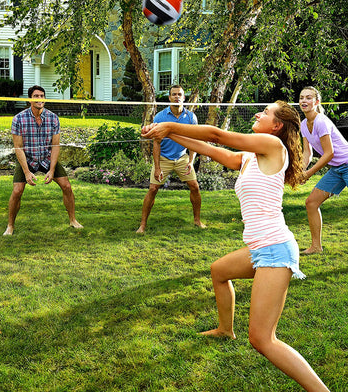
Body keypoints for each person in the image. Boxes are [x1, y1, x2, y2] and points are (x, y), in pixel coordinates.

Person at [141, 101, 329, 391]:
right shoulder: (251, 157)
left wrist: (169, 125)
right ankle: (225, 330)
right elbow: (212, 149)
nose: (257, 114)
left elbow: (216, 136)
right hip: (260, 248)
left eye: (264, 113)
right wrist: (165, 135)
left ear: (276, 126)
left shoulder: (271, 146)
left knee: (262, 339)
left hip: (275, 249)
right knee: (219, 271)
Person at [3, 85, 83, 235]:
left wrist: (52, 170)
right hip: (27, 160)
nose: (39, 99)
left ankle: (73, 220)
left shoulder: (53, 118)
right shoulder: (18, 119)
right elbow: (18, 148)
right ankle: (10, 226)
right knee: (17, 190)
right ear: (30, 99)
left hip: (46, 158)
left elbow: (55, 146)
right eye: (36, 96)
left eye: (42, 96)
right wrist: (26, 172)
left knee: (66, 186)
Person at [136, 85, 206, 233]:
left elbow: (194, 141)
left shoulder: (191, 117)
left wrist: (191, 162)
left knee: (195, 187)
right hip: (163, 158)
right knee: (153, 188)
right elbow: (156, 143)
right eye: (173, 94)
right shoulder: (160, 117)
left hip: (182, 158)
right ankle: (142, 225)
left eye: (179, 94)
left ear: (184, 97)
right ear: (169, 98)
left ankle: (197, 220)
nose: (177, 97)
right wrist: (158, 167)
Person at [299, 86, 348, 253]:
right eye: (301, 98)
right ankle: (316, 246)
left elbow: (329, 153)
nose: (304, 101)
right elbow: (307, 152)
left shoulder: (321, 121)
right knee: (311, 203)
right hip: (337, 169)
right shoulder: (304, 124)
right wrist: (300, 171)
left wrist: (308, 174)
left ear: (316, 102)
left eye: (308, 98)